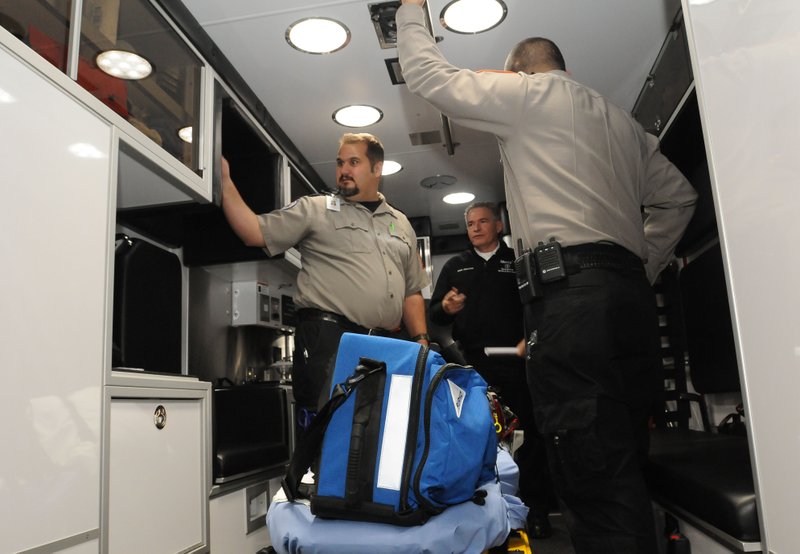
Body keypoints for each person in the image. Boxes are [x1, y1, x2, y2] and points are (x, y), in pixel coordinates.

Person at [397, 3, 698, 553]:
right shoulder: (623, 124)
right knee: (626, 462)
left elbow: (426, 75)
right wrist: (639, 265)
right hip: (630, 305)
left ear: (518, 73)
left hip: (570, 305)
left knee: (591, 474)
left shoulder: (529, 96)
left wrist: (411, 10)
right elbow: (679, 198)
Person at [220, 132, 430, 435]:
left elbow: (412, 290)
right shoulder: (315, 210)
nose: (344, 170)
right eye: (340, 163)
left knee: (376, 435)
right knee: (330, 435)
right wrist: (225, 181)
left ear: (377, 168)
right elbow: (253, 231)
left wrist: (421, 338)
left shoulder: (401, 223)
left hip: (383, 344)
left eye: (354, 162)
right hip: (329, 339)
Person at [429, 201, 557, 538]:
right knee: (475, 440)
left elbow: (539, 308)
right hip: (472, 367)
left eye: (482, 221)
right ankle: (478, 516)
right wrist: (445, 306)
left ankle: (536, 511)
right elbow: (435, 315)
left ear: (498, 226)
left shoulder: (515, 262)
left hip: (517, 364)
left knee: (527, 438)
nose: (475, 227)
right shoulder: (456, 266)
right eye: (470, 223)